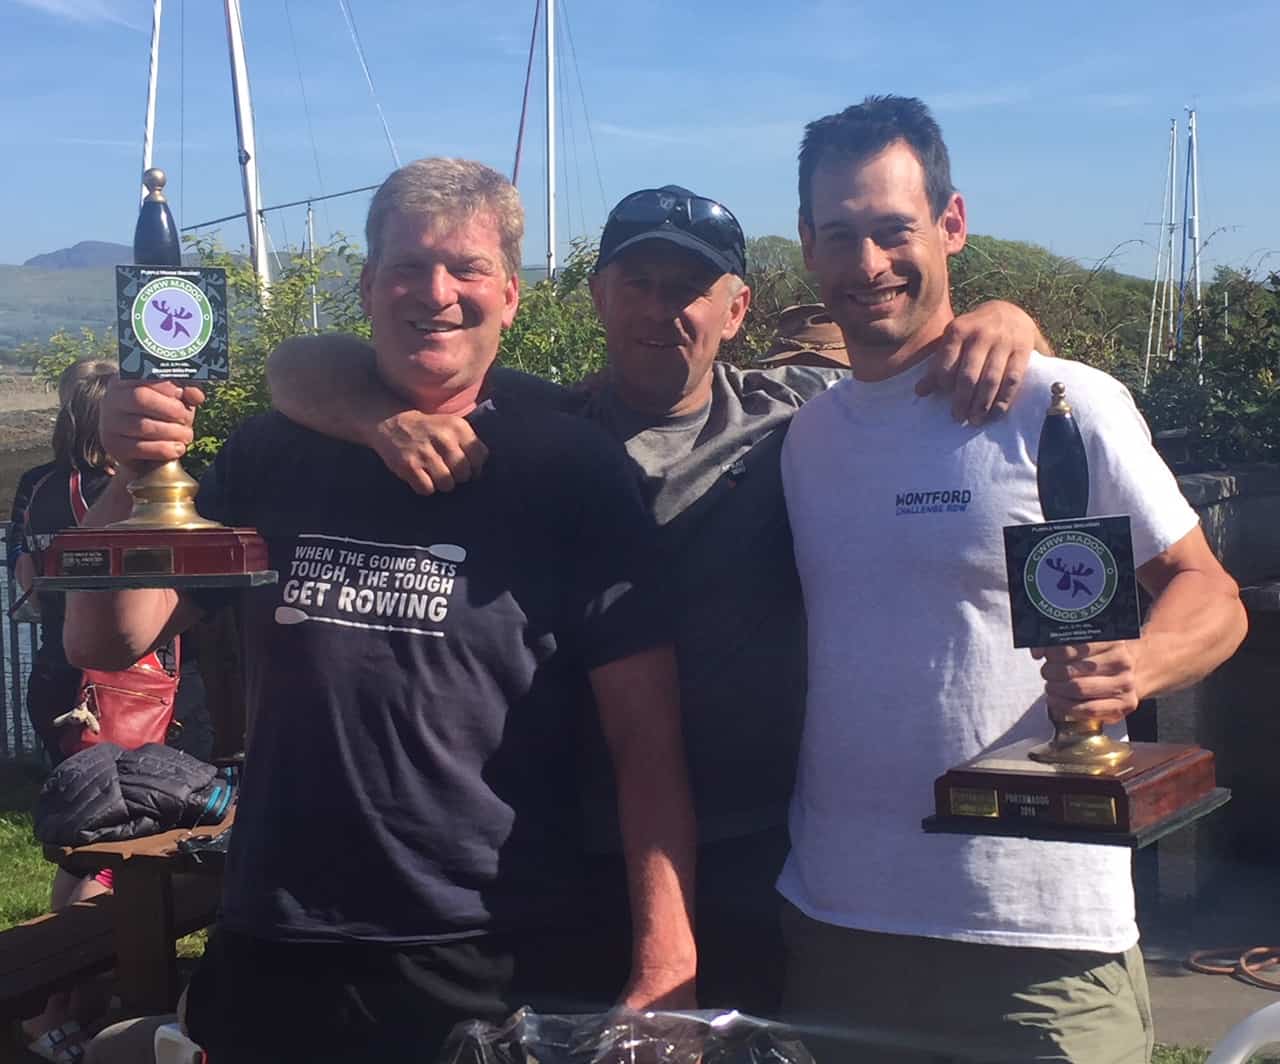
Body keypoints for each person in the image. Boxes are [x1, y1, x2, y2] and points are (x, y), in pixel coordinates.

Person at [266, 183, 1046, 1016]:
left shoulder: (797, 422)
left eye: (687, 288)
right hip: (563, 843)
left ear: (737, 309)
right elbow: (298, 363)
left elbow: (921, 375)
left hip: (756, 841)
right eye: (636, 283)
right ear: (598, 297)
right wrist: (378, 421)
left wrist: (1008, 320)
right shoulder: (538, 426)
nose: (658, 308)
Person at [66, 158, 697, 1063]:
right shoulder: (273, 451)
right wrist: (132, 477)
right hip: (276, 934)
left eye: (467, 268)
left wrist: (666, 963)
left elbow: (647, 740)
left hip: (494, 948)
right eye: (407, 267)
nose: (435, 293)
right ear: (366, 288)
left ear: (510, 296)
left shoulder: (572, 470)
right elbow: (108, 638)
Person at [777, 96, 1249, 1062]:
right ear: (807, 246)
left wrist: (1137, 667)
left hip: (1041, 937)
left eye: (894, 229)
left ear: (951, 223)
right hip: (837, 926)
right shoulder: (803, 436)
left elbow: (1211, 593)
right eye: (840, 235)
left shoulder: (1057, 402)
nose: (868, 263)